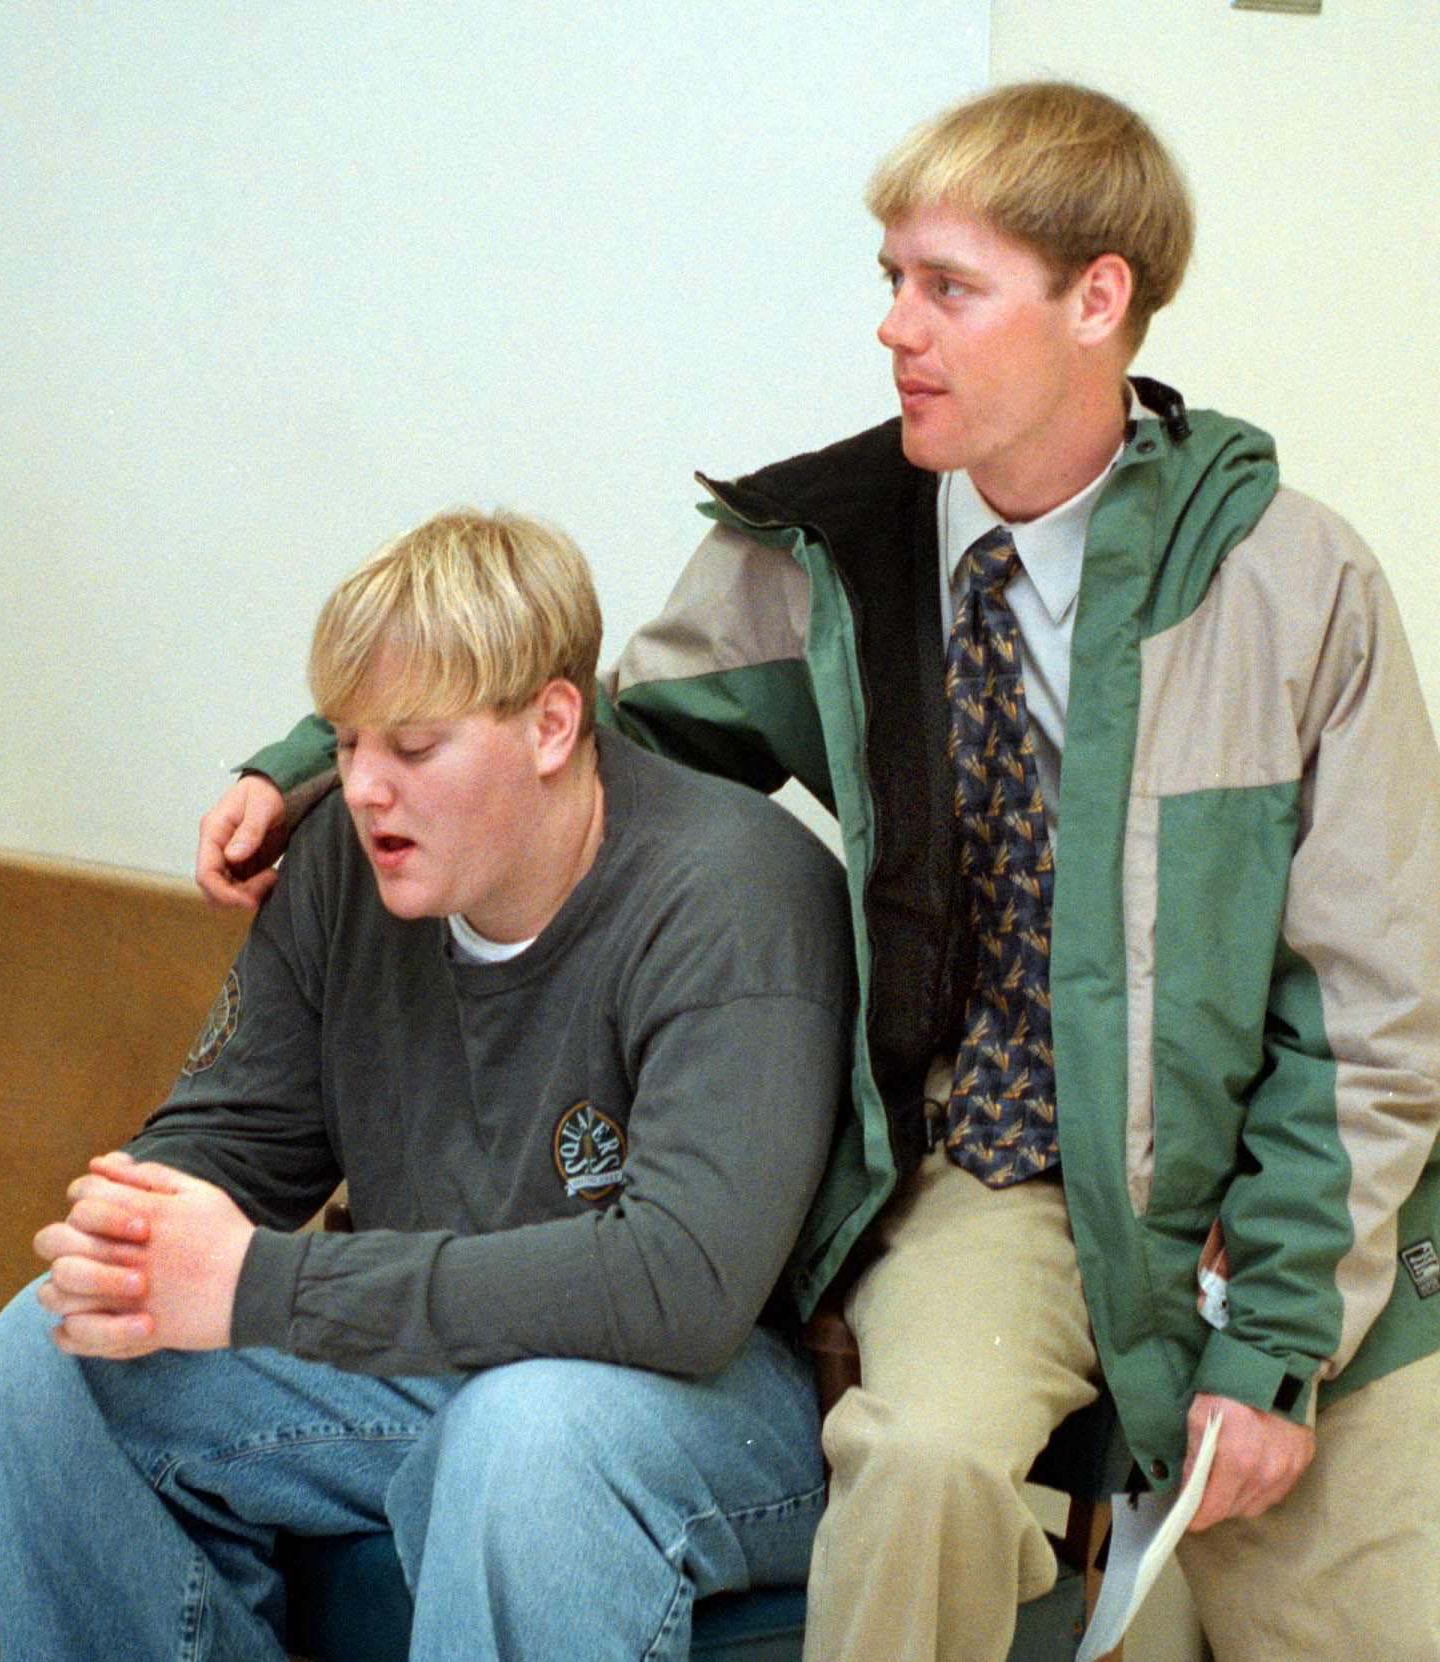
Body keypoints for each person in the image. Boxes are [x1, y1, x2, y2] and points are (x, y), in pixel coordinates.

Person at [188, 82, 1440, 1661]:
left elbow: (1373, 1015)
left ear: (1096, 299)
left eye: (948, 288)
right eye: (889, 281)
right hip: (1007, 1181)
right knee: (911, 1469)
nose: (894, 328)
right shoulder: (826, 548)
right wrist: (328, 752)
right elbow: (581, 742)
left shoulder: (1289, 581)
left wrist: (1268, 1340)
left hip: (1281, 1204)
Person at [0, 508, 855, 1661]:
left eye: (412, 749)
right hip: (433, 1362)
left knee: (525, 1432)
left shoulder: (733, 892)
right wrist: (138, 1227)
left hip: (703, 1408)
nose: (360, 789)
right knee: (52, 1348)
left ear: (553, 725)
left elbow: (681, 1288)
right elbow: (232, 1138)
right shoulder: (348, 866)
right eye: (345, 745)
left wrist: (262, 1282)